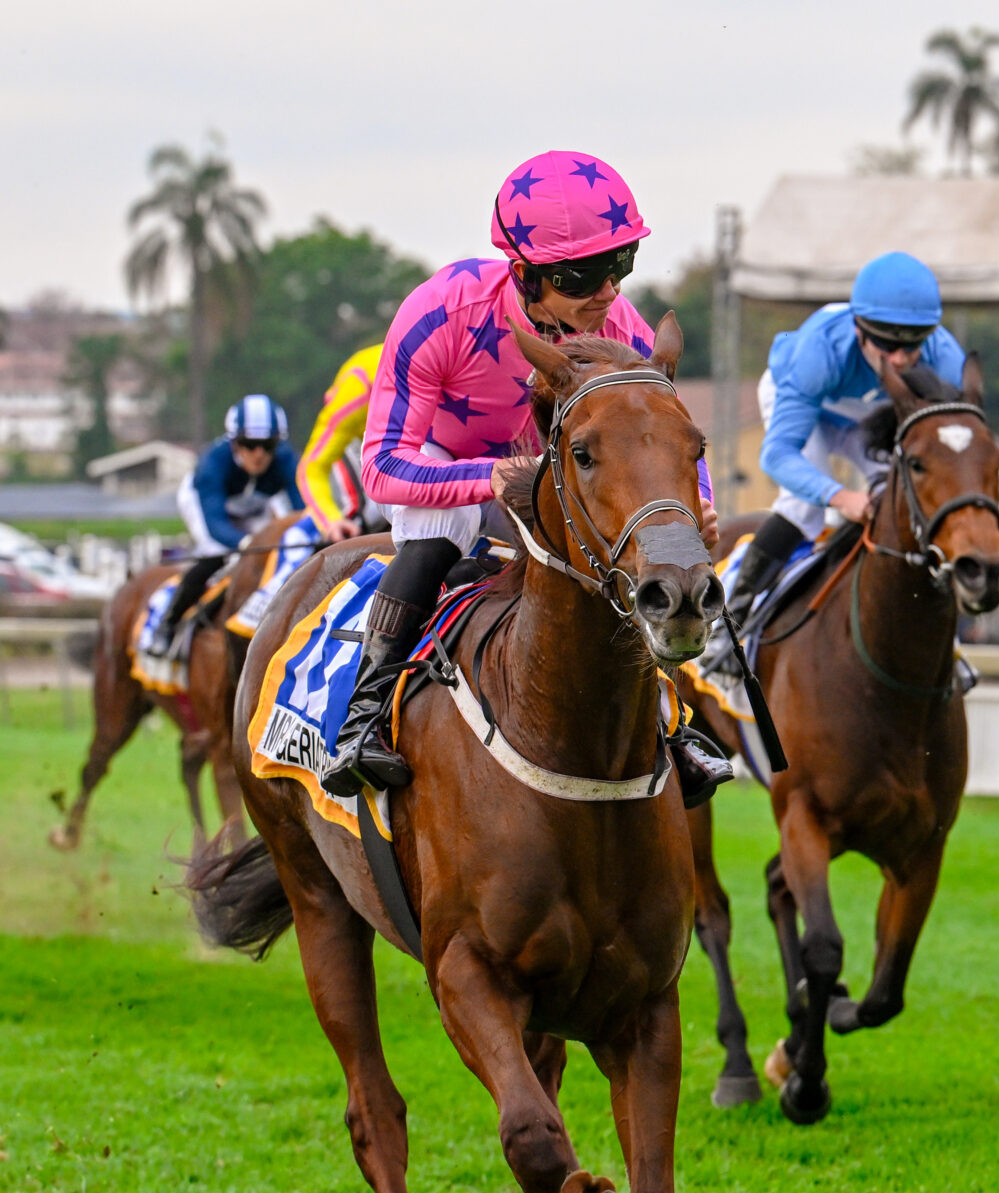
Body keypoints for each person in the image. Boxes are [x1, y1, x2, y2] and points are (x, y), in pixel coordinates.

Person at [320, 149, 728, 801]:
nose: (608, 292)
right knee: (442, 529)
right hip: (449, 467)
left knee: (621, 552)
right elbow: (382, 466)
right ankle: (365, 713)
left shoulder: (620, 328)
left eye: (620, 265)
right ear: (524, 274)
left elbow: (664, 440)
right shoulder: (440, 312)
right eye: (583, 276)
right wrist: (492, 476)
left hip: (559, 478)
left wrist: (698, 504)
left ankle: (671, 721)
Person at [726, 253, 971, 623]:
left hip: (867, 418)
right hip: (805, 406)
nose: (900, 360)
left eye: (911, 346)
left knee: (904, 494)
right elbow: (777, 455)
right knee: (804, 508)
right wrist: (840, 497)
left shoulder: (946, 360)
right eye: (887, 345)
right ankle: (731, 618)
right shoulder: (819, 352)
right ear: (860, 330)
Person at [157, 395, 298, 643]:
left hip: (252, 506)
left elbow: (304, 509)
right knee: (218, 554)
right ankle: (168, 624)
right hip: (206, 505)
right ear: (234, 443)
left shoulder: (287, 460)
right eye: (249, 444)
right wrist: (243, 542)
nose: (258, 454)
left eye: (268, 445)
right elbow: (216, 525)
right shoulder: (212, 464)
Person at [295, 344, 382, 542]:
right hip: (355, 430)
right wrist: (331, 521)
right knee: (368, 514)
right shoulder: (356, 393)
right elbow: (311, 469)